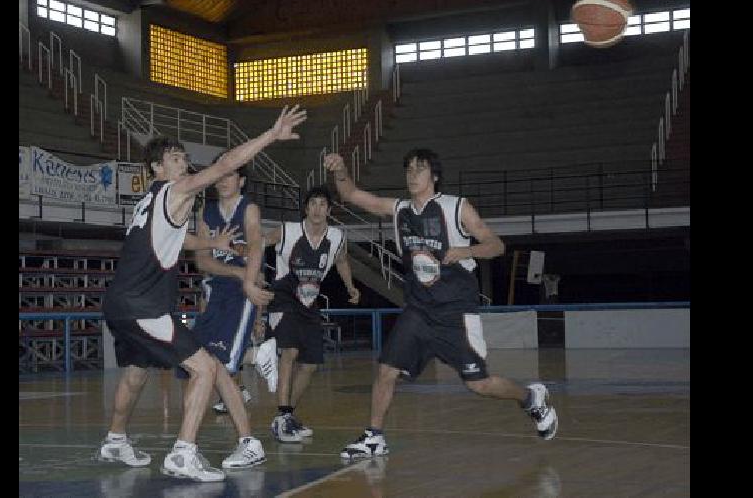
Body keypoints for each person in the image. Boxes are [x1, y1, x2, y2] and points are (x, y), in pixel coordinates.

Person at [97, 105, 306, 481]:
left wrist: (210, 242)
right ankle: (183, 453)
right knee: (206, 368)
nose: (183, 163)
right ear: (157, 169)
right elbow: (225, 166)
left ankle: (115, 439)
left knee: (136, 372)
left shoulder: (148, 203)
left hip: (119, 305)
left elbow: (174, 240)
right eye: (175, 158)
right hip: (145, 307)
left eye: (183, 157)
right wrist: (271, 135)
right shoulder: (176, 190)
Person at [323, 148, 558, 460]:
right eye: (408, 169)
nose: (411, 174)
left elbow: (496, 245)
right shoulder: (399, 210)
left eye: (419, 169)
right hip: (419, 309)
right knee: (386, 370)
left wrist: (466, 252)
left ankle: (531, 398)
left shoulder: (456, 207)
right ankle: (374, 437)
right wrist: (340, 169)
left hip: (454, 311)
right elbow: (351, 194)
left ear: (434, 176)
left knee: (479, 384)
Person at [262, 186, 360, 443]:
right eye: (313, 204)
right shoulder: (288, 231)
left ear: (329, 210)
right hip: (283, 297)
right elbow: (258, 243)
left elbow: (340, 260)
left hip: (309, 302)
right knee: (290, 352)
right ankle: (283, 416)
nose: (317, 209)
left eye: (322, 204)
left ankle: (286, 417)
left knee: (311, 364)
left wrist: (350, 286)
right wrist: (252, 274)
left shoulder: (337, 236)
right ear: (306, 208)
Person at [184, 159, 278, 419]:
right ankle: (256, 355)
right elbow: (202, 260)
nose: (223, 180)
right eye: (220, 176)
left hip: (240, 292)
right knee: (196, 359)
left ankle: (245, 440)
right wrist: (237, 271)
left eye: (230, 175)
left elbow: (256, 246)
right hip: (214, 290)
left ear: (242, 181)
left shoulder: (249, 209)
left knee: (222, 364)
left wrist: (246, 280)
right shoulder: (206, 212)